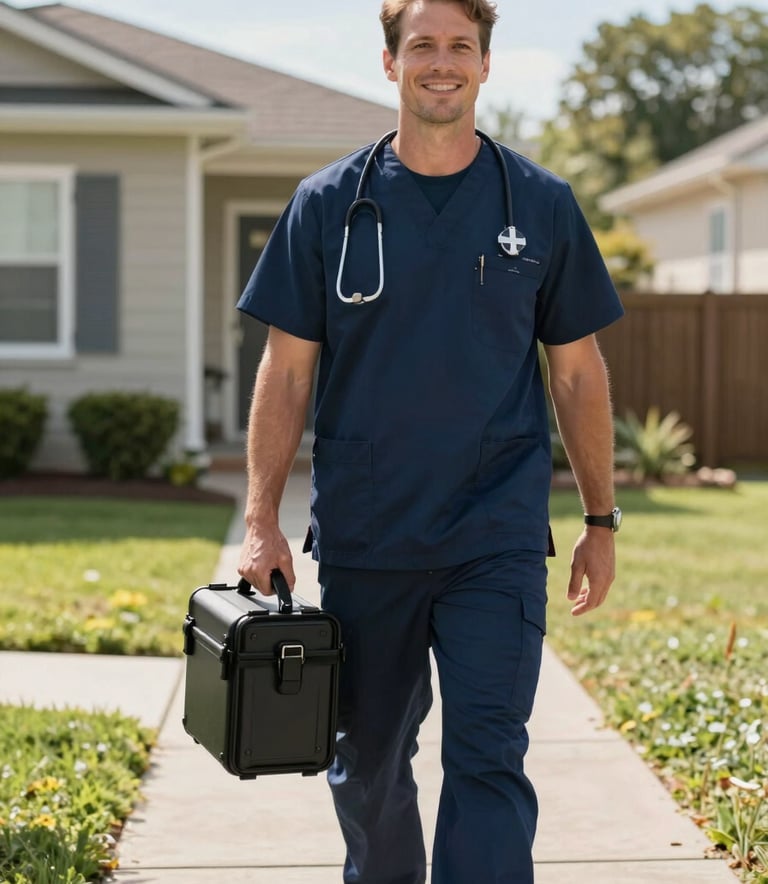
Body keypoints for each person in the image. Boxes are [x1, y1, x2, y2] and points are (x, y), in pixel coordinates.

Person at [236, 0, 624, 881]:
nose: (440, 63)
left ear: (487, 65)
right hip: (372, 533)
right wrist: (260, 519)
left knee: (488, 757)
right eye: (422, 46)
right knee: (367, 761)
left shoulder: (542, 205)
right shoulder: (328, 204)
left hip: (496, 535)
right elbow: (287, 371)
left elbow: (576, 373)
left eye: (460, 46)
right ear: (389, 64)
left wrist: (602, 521)